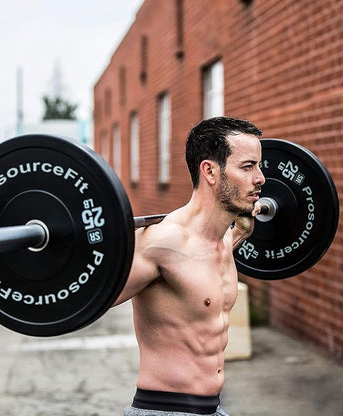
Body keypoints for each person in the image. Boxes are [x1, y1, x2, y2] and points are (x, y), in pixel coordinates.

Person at [113, 116, 266, 416]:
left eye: (259, 166)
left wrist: (239, 233)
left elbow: (198, 260)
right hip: (164, 410)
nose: (260, 178)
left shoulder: (223, 241)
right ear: (210, 171)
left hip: (213, 410)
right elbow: (92, 298)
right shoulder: (162, 242)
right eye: (248, 167)